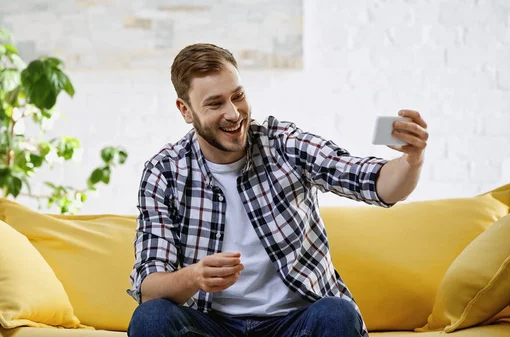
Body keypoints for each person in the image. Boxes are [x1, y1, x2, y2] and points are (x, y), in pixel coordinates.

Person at [126, 43, 429, 337]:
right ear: (186, 110)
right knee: (151, 318)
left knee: (338, 313)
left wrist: (411, 160)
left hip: (295, 323)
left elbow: (375, 183)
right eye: (215, 104)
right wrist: (194, 277)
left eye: (238, 96)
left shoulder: (283, 144)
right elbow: (150, 286)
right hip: (210, 325)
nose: (233, 113)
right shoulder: (165, 171)